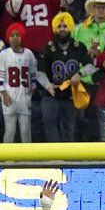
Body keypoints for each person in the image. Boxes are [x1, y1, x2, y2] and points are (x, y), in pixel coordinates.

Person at [38, 12, 93, 143]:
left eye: (65, 26)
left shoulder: (78, 47)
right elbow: (39, 71)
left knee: (69, 129)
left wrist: (79, 74)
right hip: (51, 95)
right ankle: (55, 158)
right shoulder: (47, 48)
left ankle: (68, 161)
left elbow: (91, 66)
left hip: (70, 95)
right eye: (59, 26)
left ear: (70, 27)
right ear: (54, 28)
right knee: (50, 125)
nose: (62, 29)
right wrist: (47, 86)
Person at [0, 23, 38, 144]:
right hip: (9, 95)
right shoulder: (4, 54)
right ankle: (7, 158)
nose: (14, 38)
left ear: (22, 37)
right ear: (8, 37)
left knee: (25, 131)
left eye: (17, 35)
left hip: (24, 97)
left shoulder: (29, 54)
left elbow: (33, 75)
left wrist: (33, 87)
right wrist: (4, 94)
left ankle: (27, 158)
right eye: (12, 35)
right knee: (9, 130)